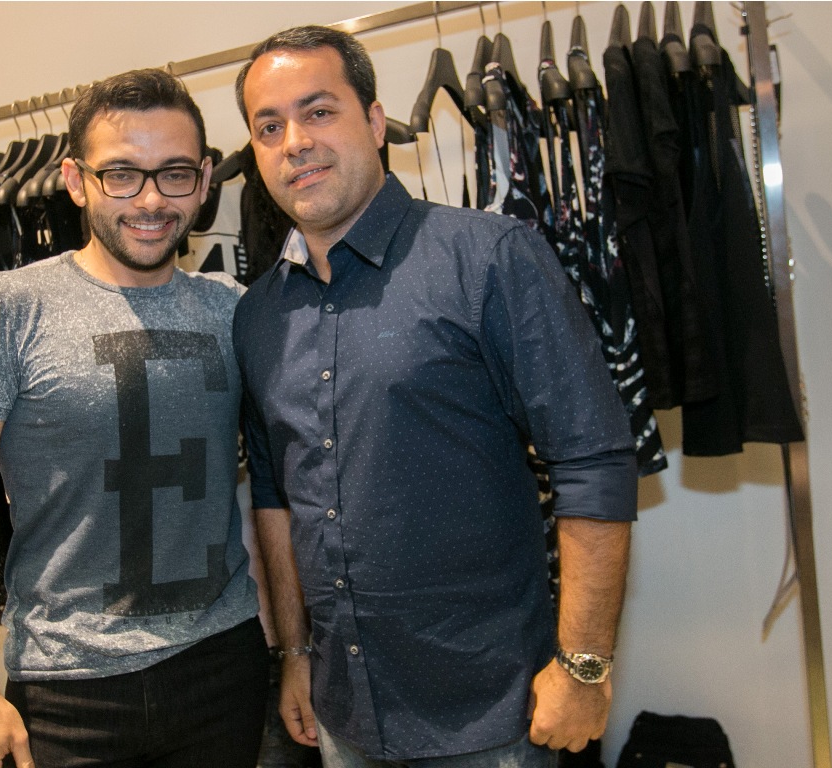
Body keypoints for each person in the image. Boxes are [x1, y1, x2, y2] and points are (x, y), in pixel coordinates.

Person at [232, 25, 638, 768]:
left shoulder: (488, 257)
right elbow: (274, 492)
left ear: (374, 121)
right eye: (269, 126)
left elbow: (594, 462)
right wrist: (293, 651)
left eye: (318, 111)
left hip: (491, 717)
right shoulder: (257, 314)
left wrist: (584, 668)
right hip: (342, 715)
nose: (295, 142)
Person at [0, 68, 268, 768]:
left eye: (174, 174)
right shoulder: (8, 308)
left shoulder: (235, 309)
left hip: (224, 669)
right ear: (76, 181)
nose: (150, 200)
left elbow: (272, 490)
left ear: (205, 181)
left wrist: (291, 648)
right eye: (121, 175)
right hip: (67, 690)